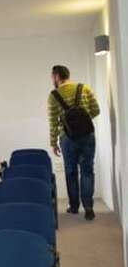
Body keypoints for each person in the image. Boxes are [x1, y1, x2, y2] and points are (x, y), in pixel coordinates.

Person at [48, 65, 100, 220]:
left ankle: (74, 206)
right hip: (87, 135)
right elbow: (96, 110)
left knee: (71, 172)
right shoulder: (85, 88)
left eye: (52, 77)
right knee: (87, 171)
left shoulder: (53, 96)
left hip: (67, 138)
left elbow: (53, 122)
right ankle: (89, 207)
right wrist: (82, 120)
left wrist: (53, 142)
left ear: (57, 76)